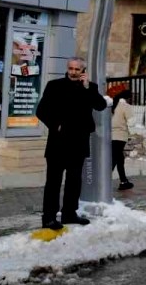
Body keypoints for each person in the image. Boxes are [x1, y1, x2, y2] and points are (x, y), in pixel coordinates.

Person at [36, 57, 107, 230]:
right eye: (71, 68)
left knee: (74, 181)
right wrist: (55, 125)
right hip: (58, 142)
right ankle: (49, 217)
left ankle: (69, 213)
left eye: (77, 69)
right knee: (53, 181)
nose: (73, 72)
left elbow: (101, 105)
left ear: (83, 71)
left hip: (79, 142)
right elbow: (41, 111)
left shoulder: (90, 88)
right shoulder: (54, 85)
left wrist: (88, 88)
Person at [111, 90, 135, 191]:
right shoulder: (126, 106)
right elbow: (131, 122)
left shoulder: (112, 104)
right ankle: (103, 181)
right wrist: (133, 133)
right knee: (114, 159)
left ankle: (123, 181)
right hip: (120, 136)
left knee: (119, 158)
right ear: (128, 98)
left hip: (110, 136)